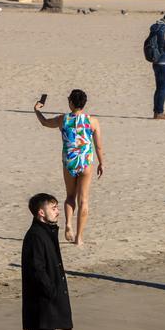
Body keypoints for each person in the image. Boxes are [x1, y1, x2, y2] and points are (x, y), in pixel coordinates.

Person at [20, 192, 71, 330]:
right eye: (53, 208)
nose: (57, 211)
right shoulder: (35, 236)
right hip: (41, 303)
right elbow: (36, 270)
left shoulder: (46, 232)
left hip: (47, 301)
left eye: (57, 207)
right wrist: (51, 292)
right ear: (41, 212)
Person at [34, 89, 104, 246]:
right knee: (84, 200)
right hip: (85, 162)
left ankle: (68, 225)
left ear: (71, 102)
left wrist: (36, 110)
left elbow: (44, 122)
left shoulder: (63, 119)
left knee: (70, 196)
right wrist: (101, 163)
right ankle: (79, 238)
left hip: (69, 162)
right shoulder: (92, 121)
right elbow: (98, 146)